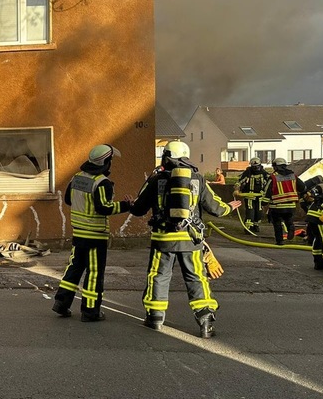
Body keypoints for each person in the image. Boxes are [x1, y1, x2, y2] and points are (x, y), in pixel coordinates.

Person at [130, 141, 241, 338]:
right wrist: (230, 207)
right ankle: (205, 320)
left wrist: (133, 203)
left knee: (158, 276)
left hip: (162, 239)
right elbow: (215, 208)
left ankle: (154, 318)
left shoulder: (156, 179)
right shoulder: (197, 179)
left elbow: (138, 209)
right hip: (191, 240)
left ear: (166, 156)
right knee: (196, 278)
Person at [52, 144, 133, 322]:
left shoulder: (77, 178)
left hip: (79, 234)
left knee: (74, 268)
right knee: (94, 273)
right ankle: (90, 311)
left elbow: (68, 199)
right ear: (106, 162)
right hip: (95, 236)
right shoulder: (102, 182)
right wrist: (126, 205)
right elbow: (104, 207)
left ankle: (61, 303)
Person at [262, 158, 306, 245]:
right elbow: (303, 187)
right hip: (291, 205)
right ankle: (291, 228)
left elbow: (268, 190)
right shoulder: (293, 176)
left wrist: (264, 202)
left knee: (277, 224)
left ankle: (280, 241)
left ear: (275, 167)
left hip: (277, 206)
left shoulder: (273, 177)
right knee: (289, 220)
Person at [234, 158, 268, 233]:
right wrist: (237, 189)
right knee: (250, 211)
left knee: (259, 211)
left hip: (260, 196)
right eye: (254, 167)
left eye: (257, 166)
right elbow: (239, 181)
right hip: (249, 195)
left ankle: (256, 225)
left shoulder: (263, 173)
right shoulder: (247, 173)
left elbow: (269, 182)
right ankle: (248, 227)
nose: (256, 169)